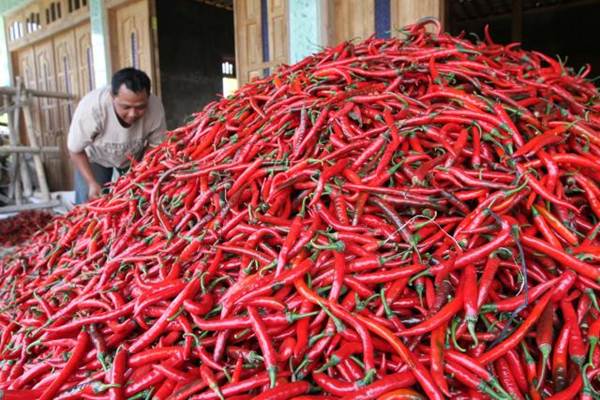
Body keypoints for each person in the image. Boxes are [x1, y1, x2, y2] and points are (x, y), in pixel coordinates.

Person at [67, 67, 166, 204]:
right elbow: (75, 149)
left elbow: (155, 145)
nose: (132, 114)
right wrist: (91, 182)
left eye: (140, 107)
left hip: (133, 157)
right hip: (96, 158)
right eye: (126, 107)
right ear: (112, 97)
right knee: (89, 204)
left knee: (137, 201)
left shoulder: (155, 108)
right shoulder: (92, 109)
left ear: (148, 98)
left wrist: (141, 171)